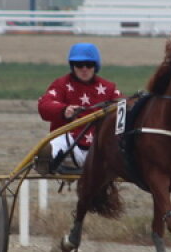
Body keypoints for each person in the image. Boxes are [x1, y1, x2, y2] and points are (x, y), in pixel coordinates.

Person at [36, 42, 121, 172]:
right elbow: (44, 105)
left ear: (96, 66)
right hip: (70, 146)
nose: (84, 69)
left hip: (99, 148)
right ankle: (46, 160)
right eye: (79, 65)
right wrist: (64, 110)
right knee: (57, 143)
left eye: (89, 64)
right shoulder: (61, 84)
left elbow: (124, 109)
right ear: (72, 66)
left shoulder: (109, 88)